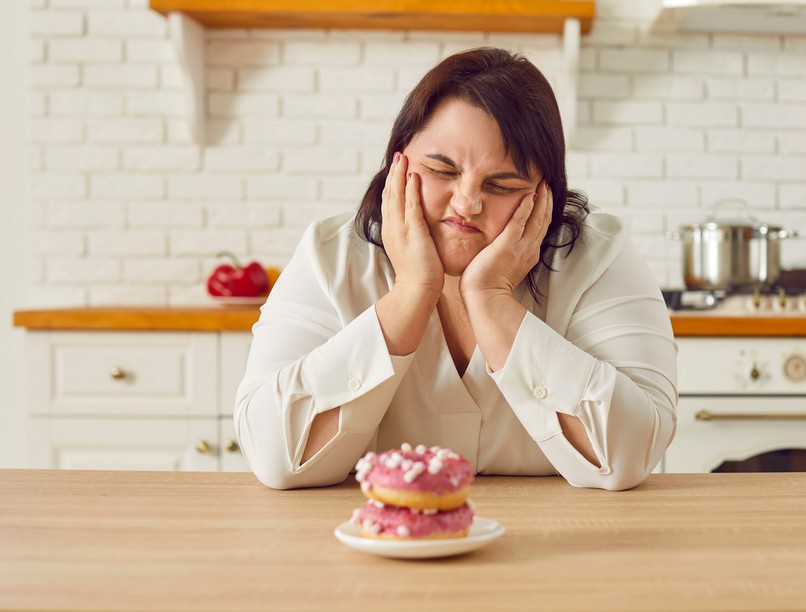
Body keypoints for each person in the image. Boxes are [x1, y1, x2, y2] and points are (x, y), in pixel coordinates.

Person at [234, 47, 677, 492]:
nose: (467, 204)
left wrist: (490, 298)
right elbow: (276, 458)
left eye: (501, 184)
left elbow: (629, 456)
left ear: (544, 195)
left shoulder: (598, 258)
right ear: (398, 163)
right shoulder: (330, 256)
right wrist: (411, 292)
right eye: (441, 170)